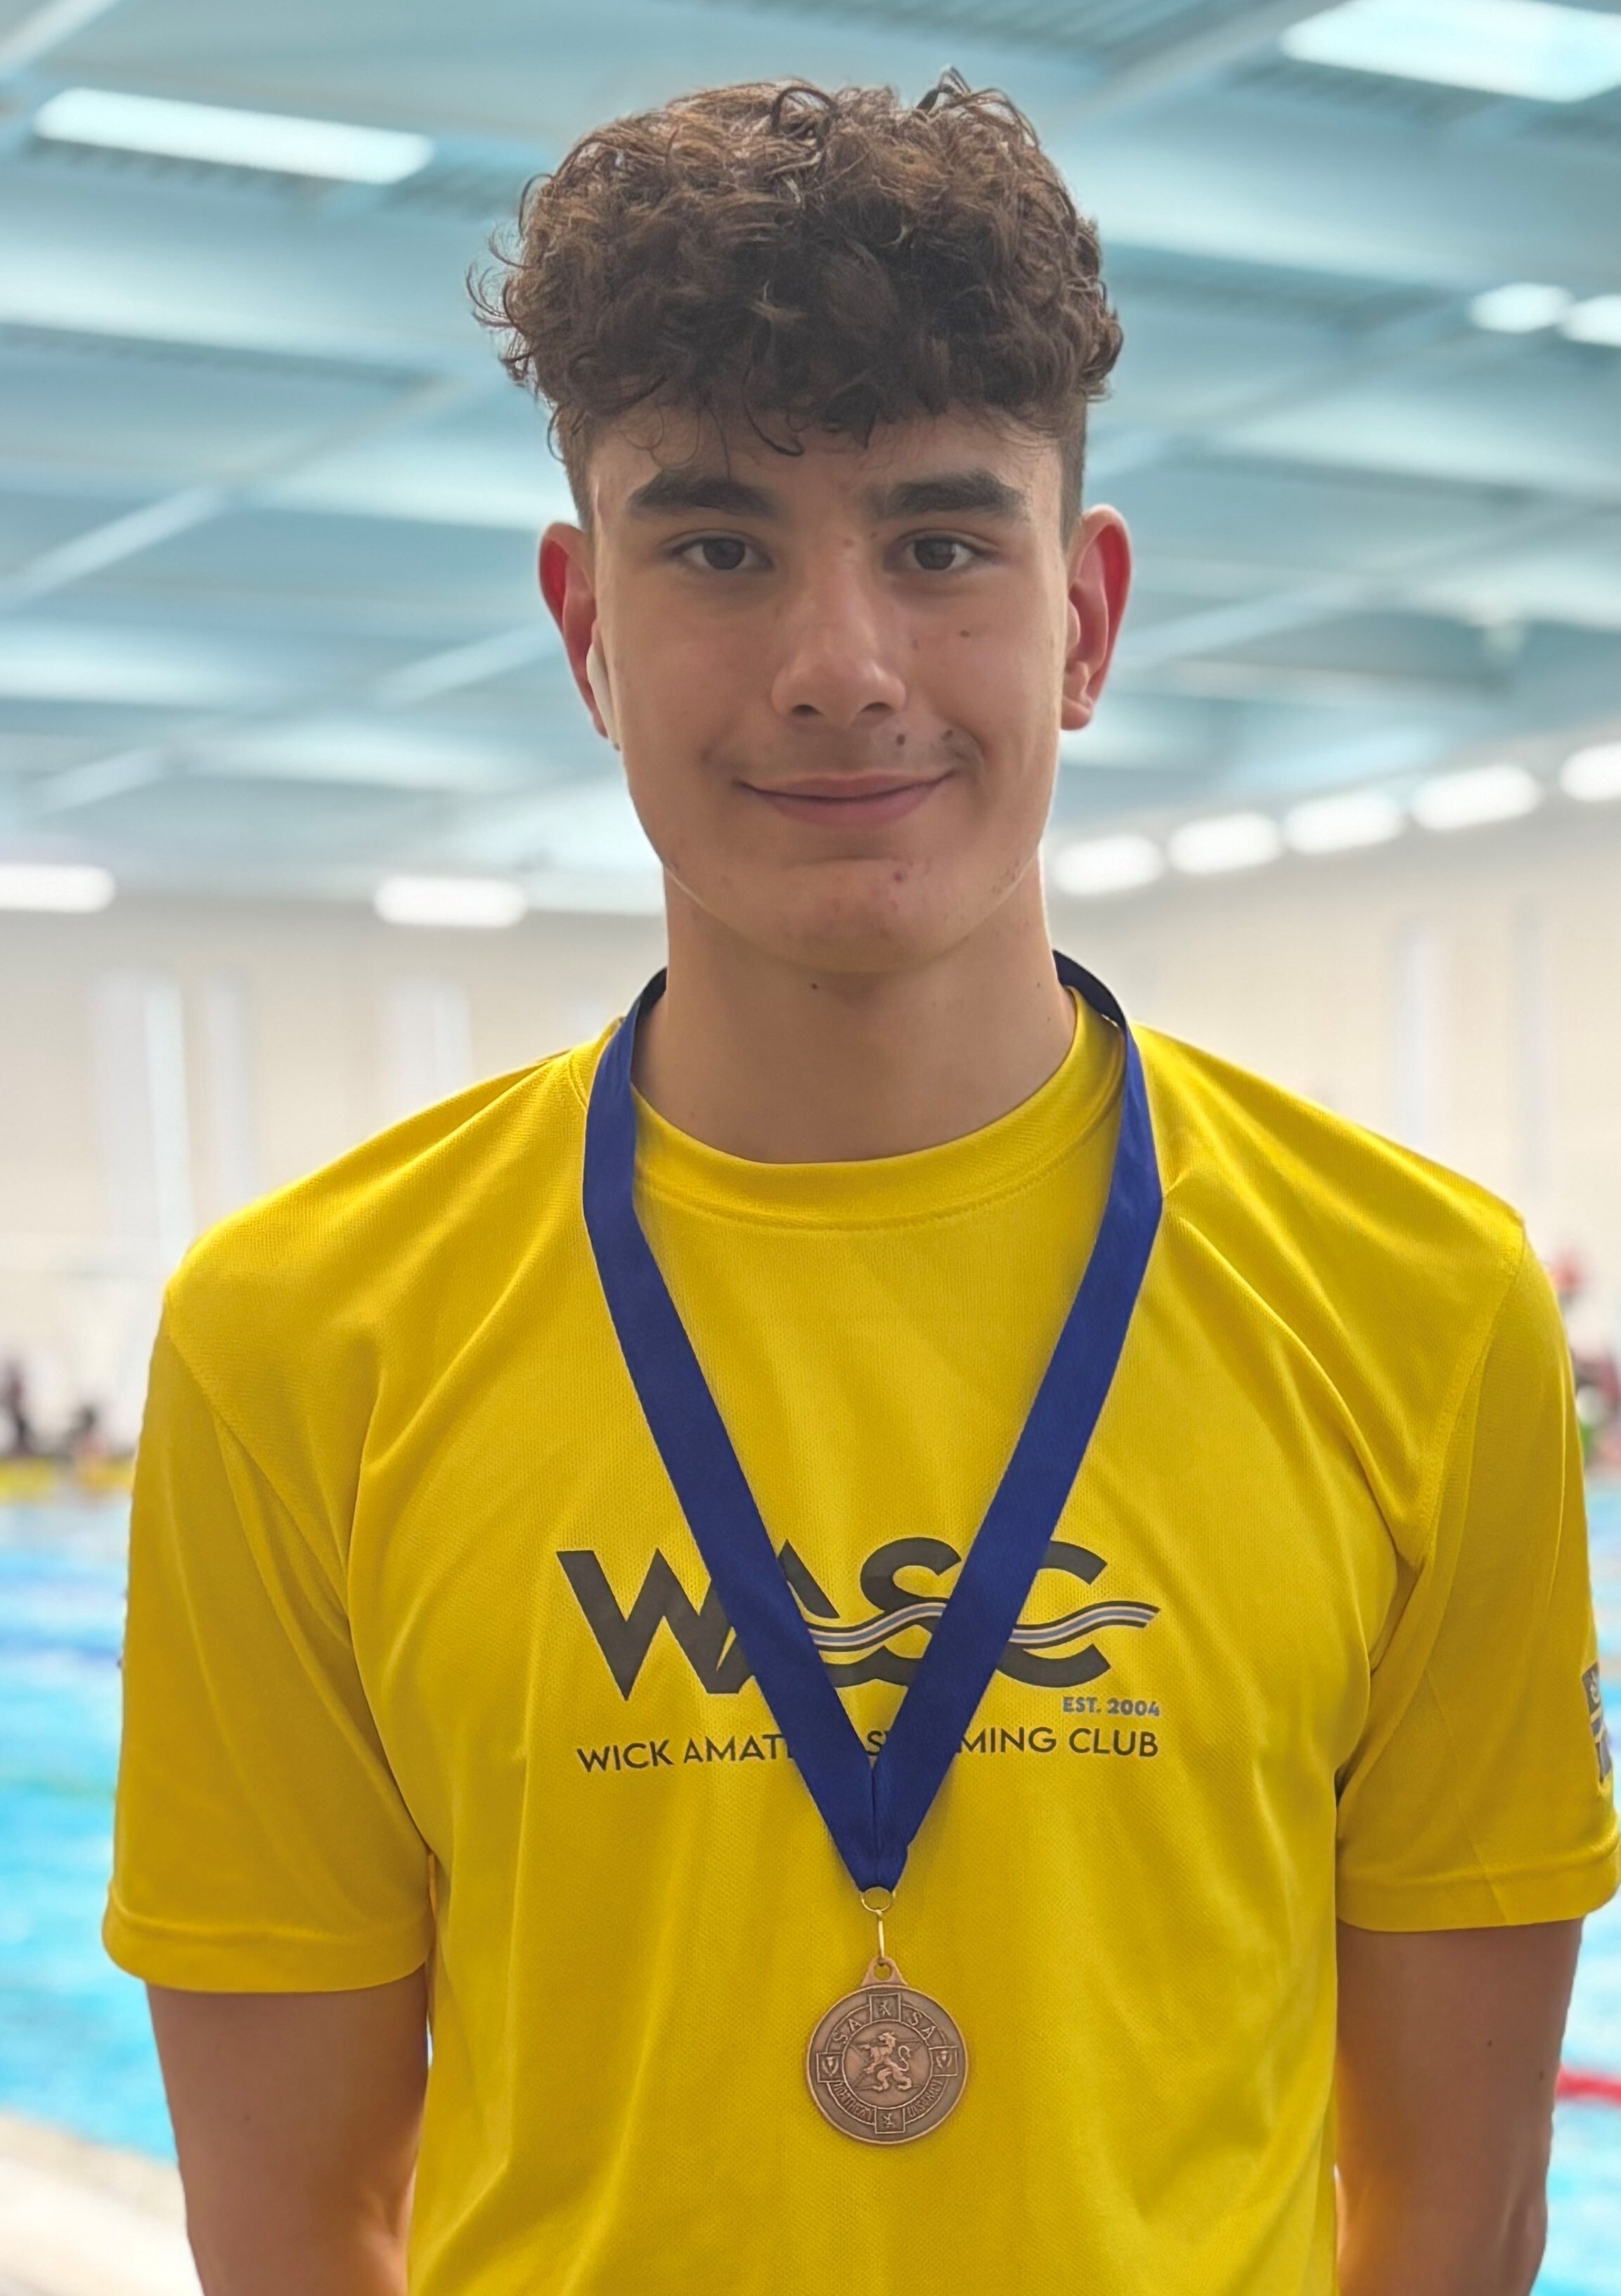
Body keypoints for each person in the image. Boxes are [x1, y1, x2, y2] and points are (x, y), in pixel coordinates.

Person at [105, 76, 1616, 2296]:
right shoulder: (298, 1332)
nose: (840, 665)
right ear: (580, 622)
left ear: (1083, 615)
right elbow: (291, 2233)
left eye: (937, 540)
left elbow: (1458, 2217)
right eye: (715, 544)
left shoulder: (1416, 1299)